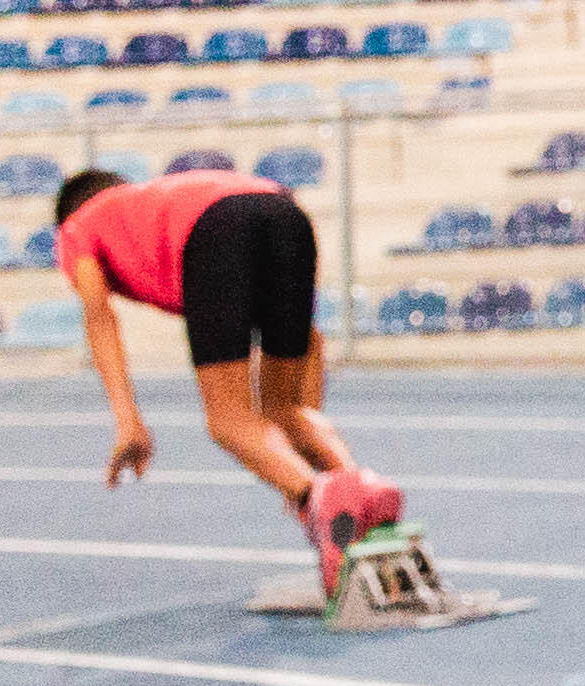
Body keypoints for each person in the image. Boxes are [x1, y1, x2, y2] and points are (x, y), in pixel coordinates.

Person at [52, 164, 401, 595]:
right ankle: (363, 497)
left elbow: (98, 315)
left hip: (217, 232)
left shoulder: (79, 226)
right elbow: (310, 342)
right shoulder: (163, 202)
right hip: (286, 213)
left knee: (229, 422)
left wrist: (128, 421)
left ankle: (326, 503)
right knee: (282, 411)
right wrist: (292, 447)